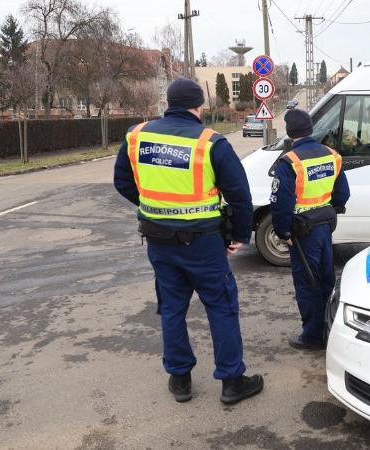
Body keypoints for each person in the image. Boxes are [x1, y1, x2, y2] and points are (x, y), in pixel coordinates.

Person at [113, 78, 263, 405]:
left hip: (159, 241)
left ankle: (179, 379)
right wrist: (240, 235)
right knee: (221, 307)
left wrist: (154, 206)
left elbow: (122, 182)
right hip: (204, 244)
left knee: (171, 308)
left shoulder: (137, 136)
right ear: (198, 106)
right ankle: (232, 381)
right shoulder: (211, 142)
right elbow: (239, 195)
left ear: (169, 103)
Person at [269, 109, 350, 350]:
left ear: (290, 132)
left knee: (307, 282)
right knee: (326, 279)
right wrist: (327, 208)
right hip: (325, 225)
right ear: (310, 129)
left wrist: (283, 232)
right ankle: (330, 328)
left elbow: (280, 203)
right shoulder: (332, 155)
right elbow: (343, 194)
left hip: (302, 231)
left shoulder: (290, 161)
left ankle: (313, 336)